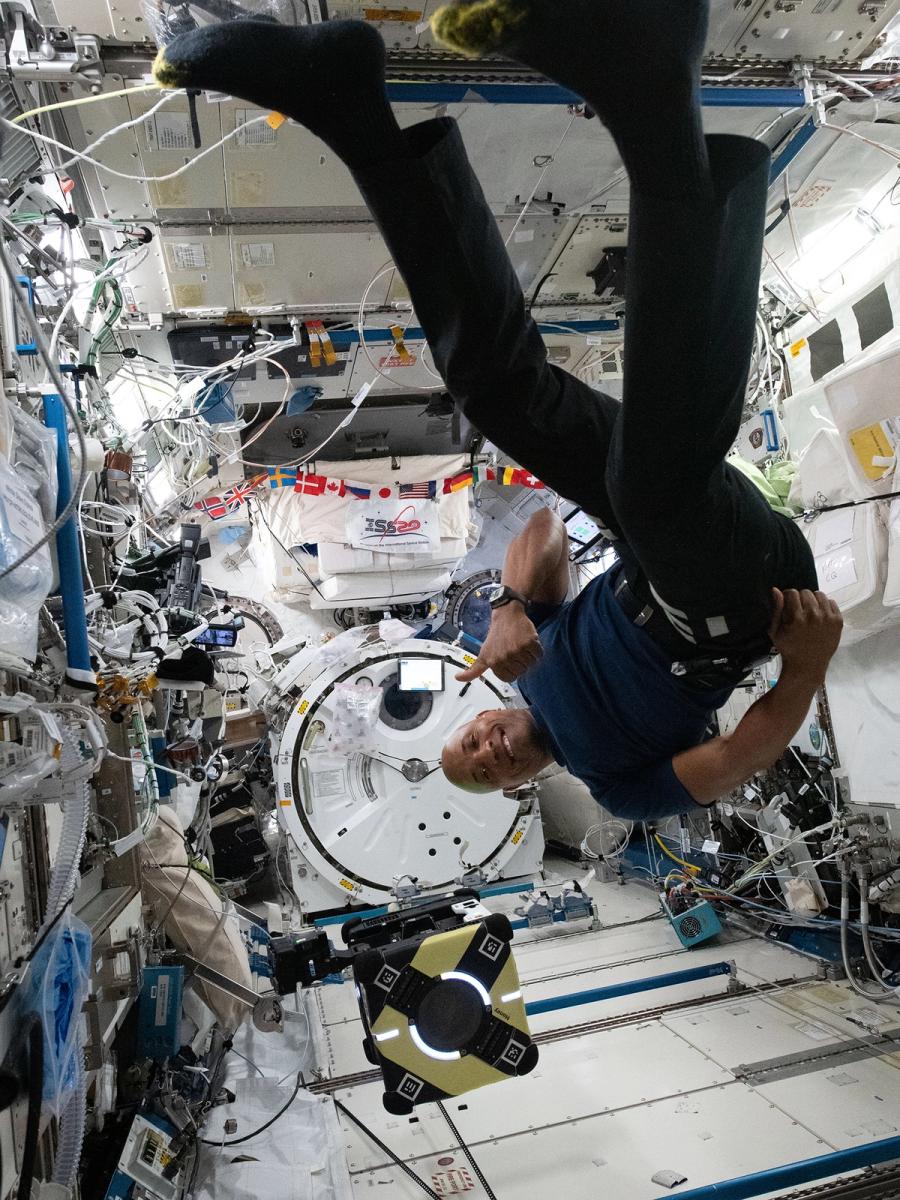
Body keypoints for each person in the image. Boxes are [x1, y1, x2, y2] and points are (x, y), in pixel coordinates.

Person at [153, 0, 843, 821]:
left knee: (498, 395)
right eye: (488, 771)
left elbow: (546, 533)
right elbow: (733, 759)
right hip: (731, 607)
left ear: (478, 717)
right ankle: (656, 88)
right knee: (655, 491)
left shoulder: (521, 661)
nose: (490, 752)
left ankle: (351, 108)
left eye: (472, 745)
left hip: (642, 543)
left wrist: (514, 607)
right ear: (518, 786)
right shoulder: (616, 786)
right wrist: (805, 670)